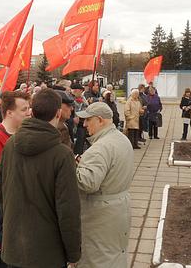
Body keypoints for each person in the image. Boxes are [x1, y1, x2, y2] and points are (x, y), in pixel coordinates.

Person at [0, 88, 81, 268]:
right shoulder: (62, 155)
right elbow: (68, 209)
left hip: (14, 246)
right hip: (47, 252)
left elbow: (1, 191)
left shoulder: (11, 143)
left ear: (32, 112)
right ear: (58, 113)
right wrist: (73, 253)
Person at [75, 102, 134, 268]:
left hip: (100, 214)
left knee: (97, 258)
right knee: (115, 253)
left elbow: (87, 183)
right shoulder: (122, 139)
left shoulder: (100, 148)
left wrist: (70, 167)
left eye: (88, 120)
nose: (84, 124)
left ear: (100, 120)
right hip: (120, 207)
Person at [0, 91, 31, 268]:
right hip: (0, 210)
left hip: (21, 208)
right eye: (24, 109)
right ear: (9, 112)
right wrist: (13, 154)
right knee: (0, 261)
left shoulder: (26, 134)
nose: (29, 112)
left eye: (29, 108)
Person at [71, 83, 89, 155]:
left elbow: (86, 109)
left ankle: (78, 155)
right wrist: (73, 118)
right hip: (73, 125)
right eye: (79, 90)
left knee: (80, 141)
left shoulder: (83, 99)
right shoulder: (71, 99)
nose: (81, 92)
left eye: (81, 90)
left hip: (81, 123)